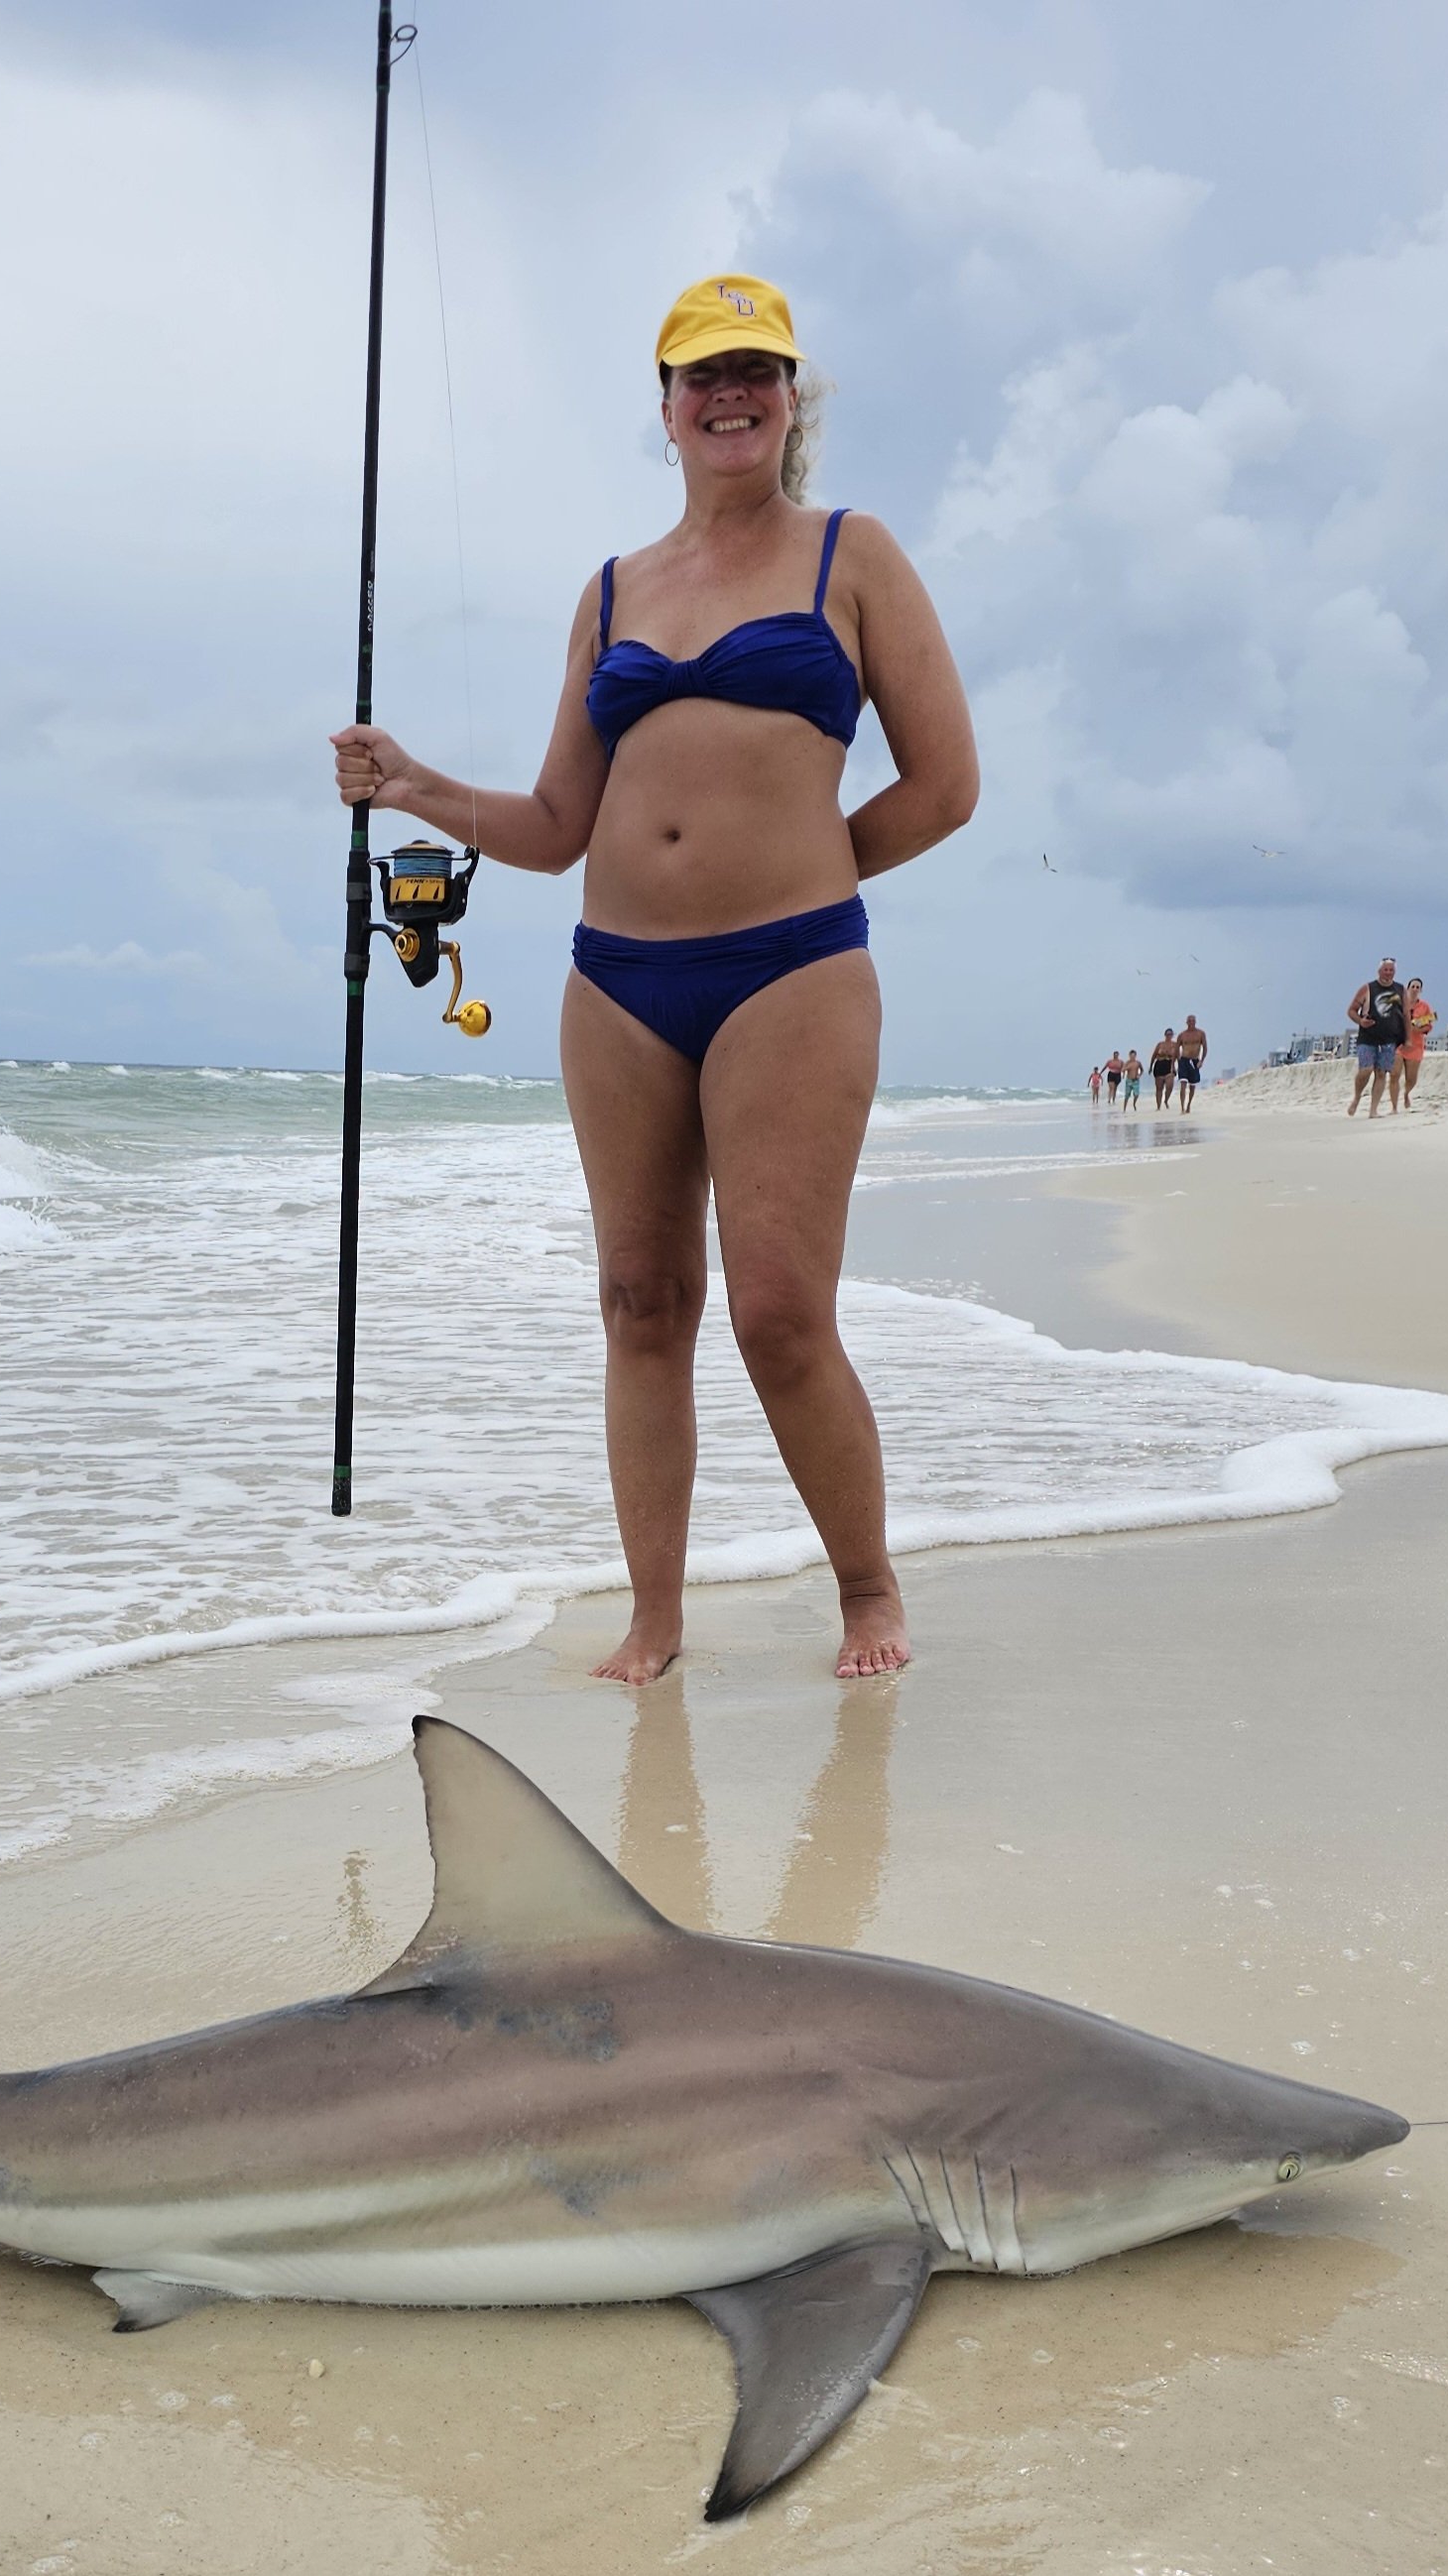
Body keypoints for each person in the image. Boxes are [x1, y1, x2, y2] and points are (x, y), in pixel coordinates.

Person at [331, 274, 978, 1683]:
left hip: (791, 973)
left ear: (792, 395)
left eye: (756, 368)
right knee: (639, 1298)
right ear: (668, 407)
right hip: (617, 982)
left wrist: (805, 875)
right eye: (702, 374)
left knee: (779, 1313)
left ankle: (868, 1590)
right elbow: (560, 830)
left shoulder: (850, 556)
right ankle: (656, 1615)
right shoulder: (614, 589)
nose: (729, 393)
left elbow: (946, 787)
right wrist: (415, 783)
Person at [1346, 959, 1408, 1116]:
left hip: (1389, 1039)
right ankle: (1357, 1097)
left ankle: (1373, 1110)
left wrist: (1407, 1038)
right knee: (1366, 1070)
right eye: (1385, 970)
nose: (1388, 973)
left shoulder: (1400, 990)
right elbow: (1351, 1010)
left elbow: (1406, 1015)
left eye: (1391, 970)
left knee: (1381, 1073)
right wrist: (1361, 1021)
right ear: (1379, 971)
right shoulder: (1367, 988)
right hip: (1368, 1037)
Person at [1397, 977, 1435, 1108]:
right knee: (1395, 1073)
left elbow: (1429, 1025)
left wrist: (1417, 1029)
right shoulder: (1399, 1003)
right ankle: (1394, 1104)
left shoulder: (1424, 1006)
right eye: (1412, 986)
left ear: (1421, 990)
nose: (1414, 989)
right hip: (1399, 1043)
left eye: (1417, 987)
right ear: (1407, 988)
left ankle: (1406, 1094)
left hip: (1416, 1045)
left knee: (1411, 1079)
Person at [1173, 1012, 1208, 1113]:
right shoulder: (1182, 1035)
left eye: (1193, 1021)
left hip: (1194, 1061)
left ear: (1195, 1022)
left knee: (1192, 1085)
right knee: (1183, 1083)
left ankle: (1188, 1105)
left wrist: (1201, 1060)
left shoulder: (1201, 1034)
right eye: (1189, 1021)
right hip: (1183, 1060)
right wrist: (1175, 1063)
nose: (1191, 1023)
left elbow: (1205, 1048)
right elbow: (1176, 1049)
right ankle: (1182, 1107)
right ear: (1186, 1022)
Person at [1149, 1027, 1178, 1111]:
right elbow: (1154, 1055)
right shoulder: (1160, 1044)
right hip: (1159, 1065)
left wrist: (1178, 1067)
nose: (1169, 1036)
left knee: (1169, 1086)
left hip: (1169, 1065)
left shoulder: (1175, 1045)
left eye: (1170, 1034)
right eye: (1167, 1034)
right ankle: (1158, 1106)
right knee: (1159, 1088)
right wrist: (1151, 1067)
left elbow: (1178, 1057)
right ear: (1165, 1035)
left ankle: (1166, 1100)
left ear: (1172, 1035)